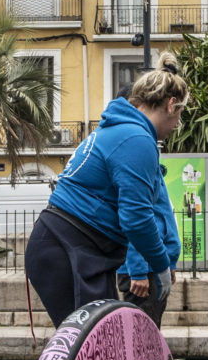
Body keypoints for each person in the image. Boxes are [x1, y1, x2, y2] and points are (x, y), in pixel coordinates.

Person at [25, 58, 185, 326]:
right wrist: (160, 266)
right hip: (68, 247)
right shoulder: (137, 139)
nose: (176, 125)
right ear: (171, 104)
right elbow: (136, 218)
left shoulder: (117, 130)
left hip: (68, 245)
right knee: (94, 341)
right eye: (180, 115)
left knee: (103, 339)